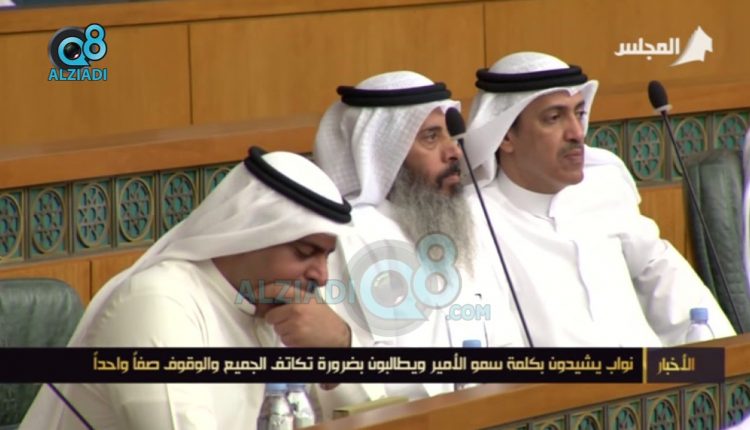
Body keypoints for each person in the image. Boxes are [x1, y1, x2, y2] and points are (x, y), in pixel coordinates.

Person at [20, 147, 367, 429]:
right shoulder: (157, 303)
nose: (322, 276)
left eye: (326, 257)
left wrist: (340, 350)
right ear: (250, 235)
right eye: (305, 253)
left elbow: (373, 420)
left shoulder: (284, 310)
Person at [463, 51, 735, 347]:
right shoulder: (474, 223)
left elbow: (667, 279)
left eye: (579, 114)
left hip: (651, 373)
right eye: (554, 118)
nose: (577, 133)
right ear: (505, 136)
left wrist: (723, 358)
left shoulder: (602, 186)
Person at [314, 70, 525, 400]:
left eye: (450, 136)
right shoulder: (350, 237)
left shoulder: (460, 224)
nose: (454, 152)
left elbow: (505, 340)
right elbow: (353, 380)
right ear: (385, 154)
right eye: (430, 138)